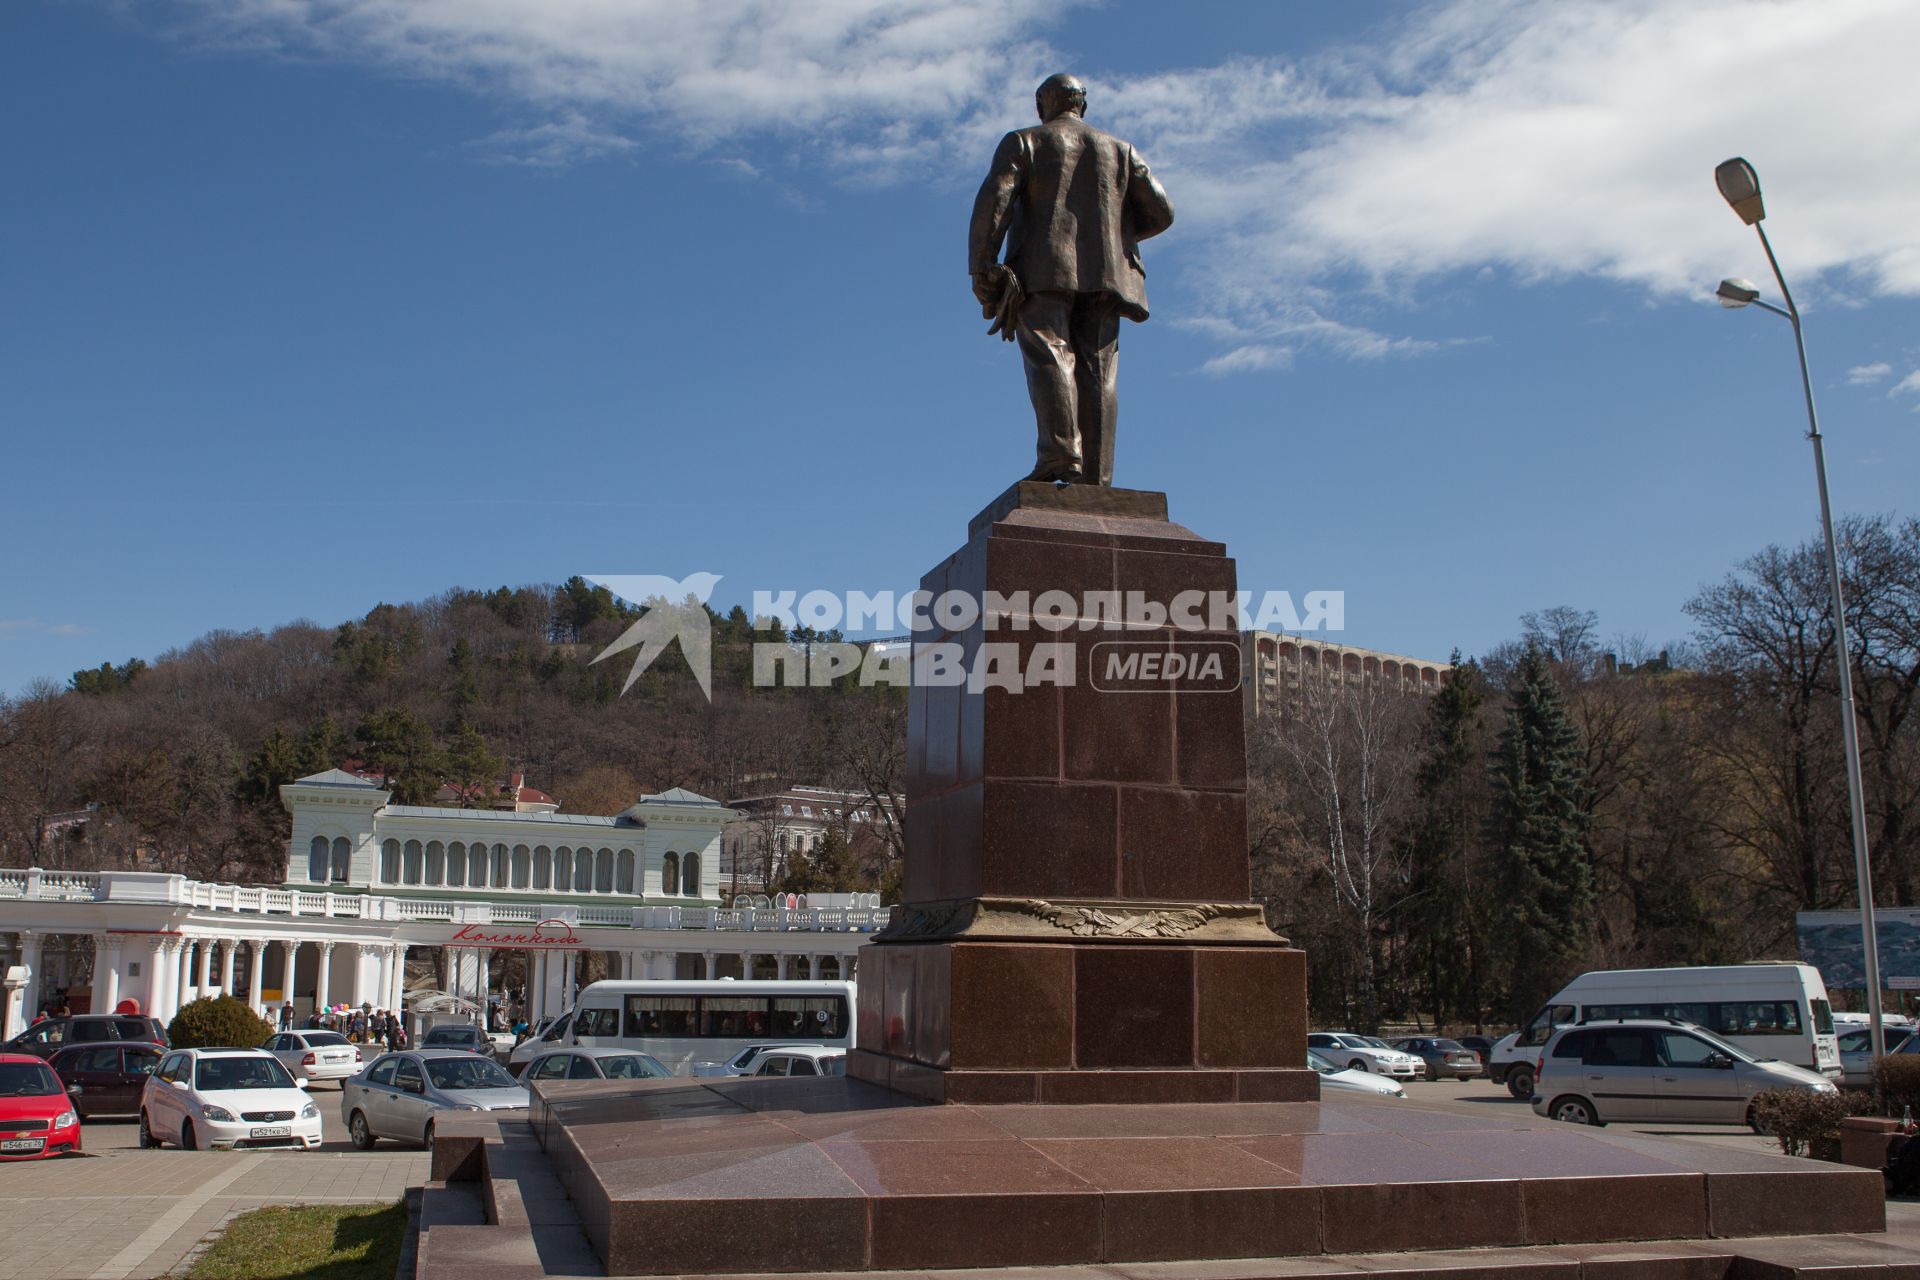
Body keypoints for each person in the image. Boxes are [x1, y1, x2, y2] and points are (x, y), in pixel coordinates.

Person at [968, 72, 1175, 487]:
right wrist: (1116, 236)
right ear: (1082, 104)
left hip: (1042, 268)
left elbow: (997, 197)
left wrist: (982, 264)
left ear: (1043, 103)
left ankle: (1061, 453)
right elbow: (1161, 211)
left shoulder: (1025, 141)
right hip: (1109, 276)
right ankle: (1097, 476)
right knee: (1100, 370)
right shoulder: (1120, 150)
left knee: (1050, 352)